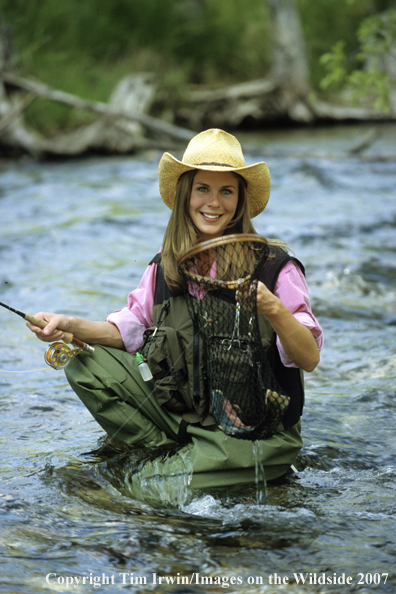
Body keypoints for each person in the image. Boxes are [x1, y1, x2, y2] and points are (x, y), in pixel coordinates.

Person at [27, 129, 323, 489]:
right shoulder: (164, 267)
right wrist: (67, 324)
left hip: (260, 435)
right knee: (85, 364)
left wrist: (275, 310)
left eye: (226, 191)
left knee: (144, 486)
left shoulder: (276, 267)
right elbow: (130, 330)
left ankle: (185, 466)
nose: (214, 202)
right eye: (203, 189)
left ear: (240, 200)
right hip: (189, 420)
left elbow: (308, 358)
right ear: (185, 195)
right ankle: (169, 451)